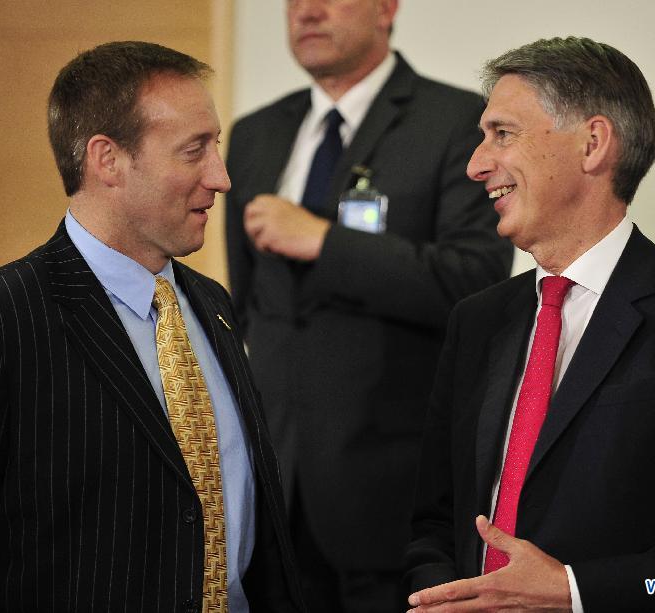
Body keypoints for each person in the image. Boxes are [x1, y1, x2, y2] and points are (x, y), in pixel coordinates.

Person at [404, 36, 655, 612]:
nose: (476, 164)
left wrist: (578, 592)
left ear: (593, 143)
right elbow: (434, 525)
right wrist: (441, 595)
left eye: (502, 134)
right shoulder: (477, 321)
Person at [0, 41, 304, 612]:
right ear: (107, 159)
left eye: (216, 146)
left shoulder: (211, 303)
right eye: (194, 151)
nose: (222, 178)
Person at [225, 0, 512, 610]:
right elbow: (252, 307)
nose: (306, 11)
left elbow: (476, 281)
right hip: (274, 484)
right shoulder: (255, 134)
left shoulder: (459, 122)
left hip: (392, 493)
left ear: (386, 8)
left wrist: (325, 241)